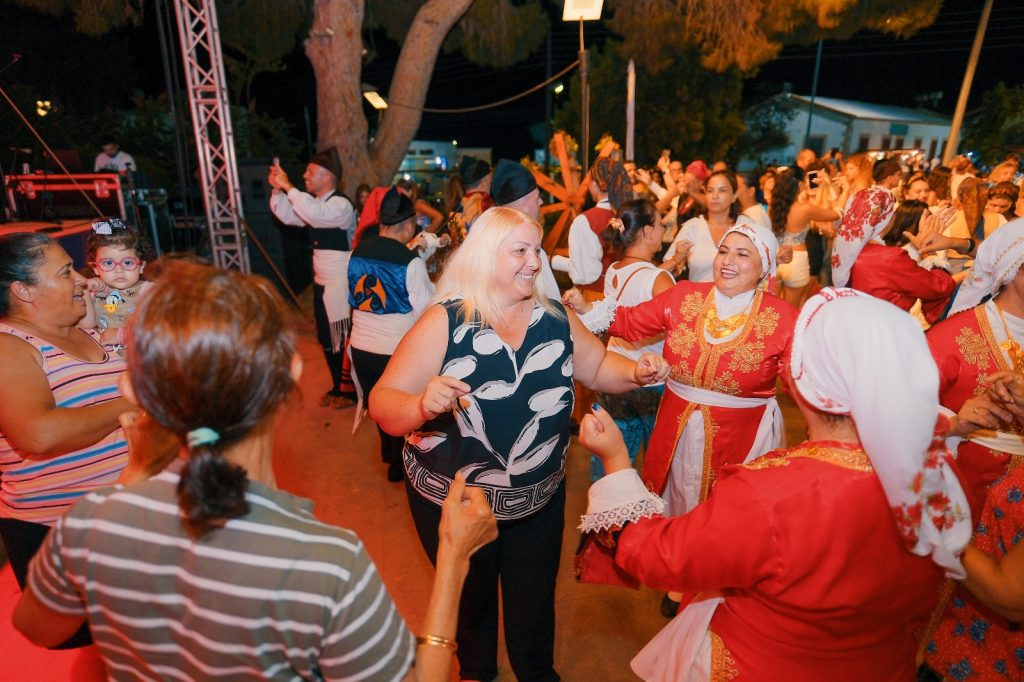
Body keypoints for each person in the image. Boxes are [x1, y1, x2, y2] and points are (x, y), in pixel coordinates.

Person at [12, 261, 500, 682]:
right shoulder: (325, 563)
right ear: (291, 371)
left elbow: (39, 627)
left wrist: (135, 473)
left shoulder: (90, 522)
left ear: (140, 392)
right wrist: (454, 558)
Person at [577, 287, 971, 680]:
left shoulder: (772, 494)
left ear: (802, 382)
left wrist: (616, 462)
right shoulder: (939, 481)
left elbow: (658, 555)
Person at [369, 206, 669, 682]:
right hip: (457, 503)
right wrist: (424, 405)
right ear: (487, 256)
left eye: (536, 250)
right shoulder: (445, 321)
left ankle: (535, 673)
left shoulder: (554, 317)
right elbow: (383, 405)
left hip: (538, 497)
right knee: (472, 603)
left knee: (533, 602)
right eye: (520, 250)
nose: (534, 261)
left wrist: (635, 372)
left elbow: (595, 368)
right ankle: (478, 672)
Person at [0, 233, 130, 647]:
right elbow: (38, 433)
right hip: (63, 534)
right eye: (64, 271)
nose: (81, 279)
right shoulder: (8, 346)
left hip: (119, 523)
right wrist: (137, 402)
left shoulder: (81, 332)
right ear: (23, 290)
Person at [348, 187, 435, 482]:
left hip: (361, 346)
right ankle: (404, 464)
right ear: (410, 225)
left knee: (378, 405)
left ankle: (390, 457)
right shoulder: (410, 262)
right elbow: (425, 311)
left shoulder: (357, 251)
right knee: (403, 410)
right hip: (395, 350)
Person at [587, 199, 675, 481]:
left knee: (611, 461)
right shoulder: (659, 279)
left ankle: (606, 518)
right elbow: (677, 330)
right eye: (661, 224)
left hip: (613, 373)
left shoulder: (613, 270)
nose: (664, 229)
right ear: (648, 232)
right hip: (651, 379)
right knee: (656, 463)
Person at [268, 147, 357, 409]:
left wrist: (288, 185)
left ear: (328, 176)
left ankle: (349, 392)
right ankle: (337, 387)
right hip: (321, 281)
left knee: (340, 337)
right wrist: (277, 189)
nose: (305, 176)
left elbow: (314, 214)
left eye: (310, 171)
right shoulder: (317, 205)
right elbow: (288, 215)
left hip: (339, 283)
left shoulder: (340, 204)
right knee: (326, 339)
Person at [833, 187, 956, 325]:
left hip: (857, 327)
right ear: (883, 219)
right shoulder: (889, 258)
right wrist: (929, 253)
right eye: (891, 211)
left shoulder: (843, 250)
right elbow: (938, 287)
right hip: (889, 331)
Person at [551, 155, 632, 299]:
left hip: (593, 298)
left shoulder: (585, 221)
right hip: (623, 295)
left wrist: (554, 261)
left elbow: (584, 274)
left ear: (595, 183)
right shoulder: (628, 216)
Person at [77, 217, 155, 349]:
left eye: (127, 263)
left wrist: (121, 335)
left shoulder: (149, 291)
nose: (119, 271)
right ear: (95, 267)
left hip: (142, 360)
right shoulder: (95, 294)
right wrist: (84, 289)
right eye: (108, 263)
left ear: (141, 266)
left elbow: (164, 329)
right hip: (111, 362)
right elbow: (86, 326)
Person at [490, 158, 561, 300]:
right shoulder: (531, 249)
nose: (541, 201)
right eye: (536, 198)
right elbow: (552, 301)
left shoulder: (487, 239)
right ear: (522, 206)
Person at [770, 169, 841, 306]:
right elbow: (836, 214)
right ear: (798, 185)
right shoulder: (804, 209)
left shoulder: (775, 207)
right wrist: (832, 190)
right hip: (796, 260)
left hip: (777, 259)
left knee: (772, 308)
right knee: (791, 309)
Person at [663, 170, 743, 283]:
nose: (715, 196)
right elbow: (665, 273)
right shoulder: (692, 227)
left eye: (722, 190)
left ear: (734, 195)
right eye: (710, 191)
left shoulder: (746, 226)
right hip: (699, 298)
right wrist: (677, 259)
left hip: (740, 298)